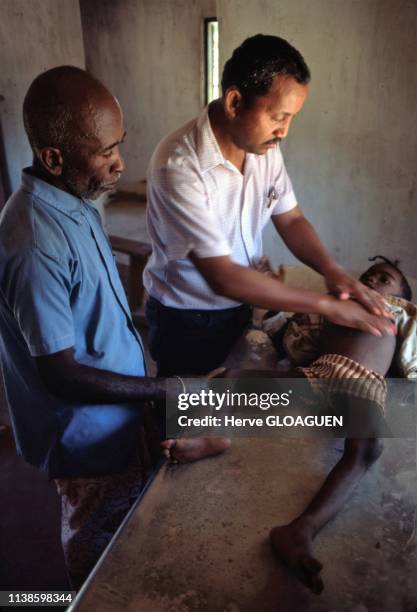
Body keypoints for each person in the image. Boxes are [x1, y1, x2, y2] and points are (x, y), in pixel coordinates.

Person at [0, 66, 227, 589]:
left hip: (115, 417)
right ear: (54, 157)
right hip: (85, 437)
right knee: (96, 553)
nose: (120, 162)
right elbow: (59, 373)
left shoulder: (76, 202)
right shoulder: (35, 241)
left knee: (129, 531)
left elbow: (98, 319)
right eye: (105, 152)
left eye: (118, 145)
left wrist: (144, 390)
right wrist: (158, 389)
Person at [144, 34, 395, 378]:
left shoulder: (264, 148)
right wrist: (325, 305)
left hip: (238, 306)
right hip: (189, 319)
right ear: (235, 102)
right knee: (184, 414)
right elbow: (223, 277)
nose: (285, 132)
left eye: (292, 118)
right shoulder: (179, 165)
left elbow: (290, 219)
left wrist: (332, 270)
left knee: (226, 403)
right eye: (278, 116)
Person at [227, 257, 412, 594]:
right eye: (367, 274)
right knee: (233, 381)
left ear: (400, 298)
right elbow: (293, 336)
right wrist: (270, 305)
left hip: (360, 383)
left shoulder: (398, 314)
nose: (371, 280)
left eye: (384, 279)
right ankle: (212, 437)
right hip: (316, 375)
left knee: (367, 447)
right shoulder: (332, 308)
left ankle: (301, 529)